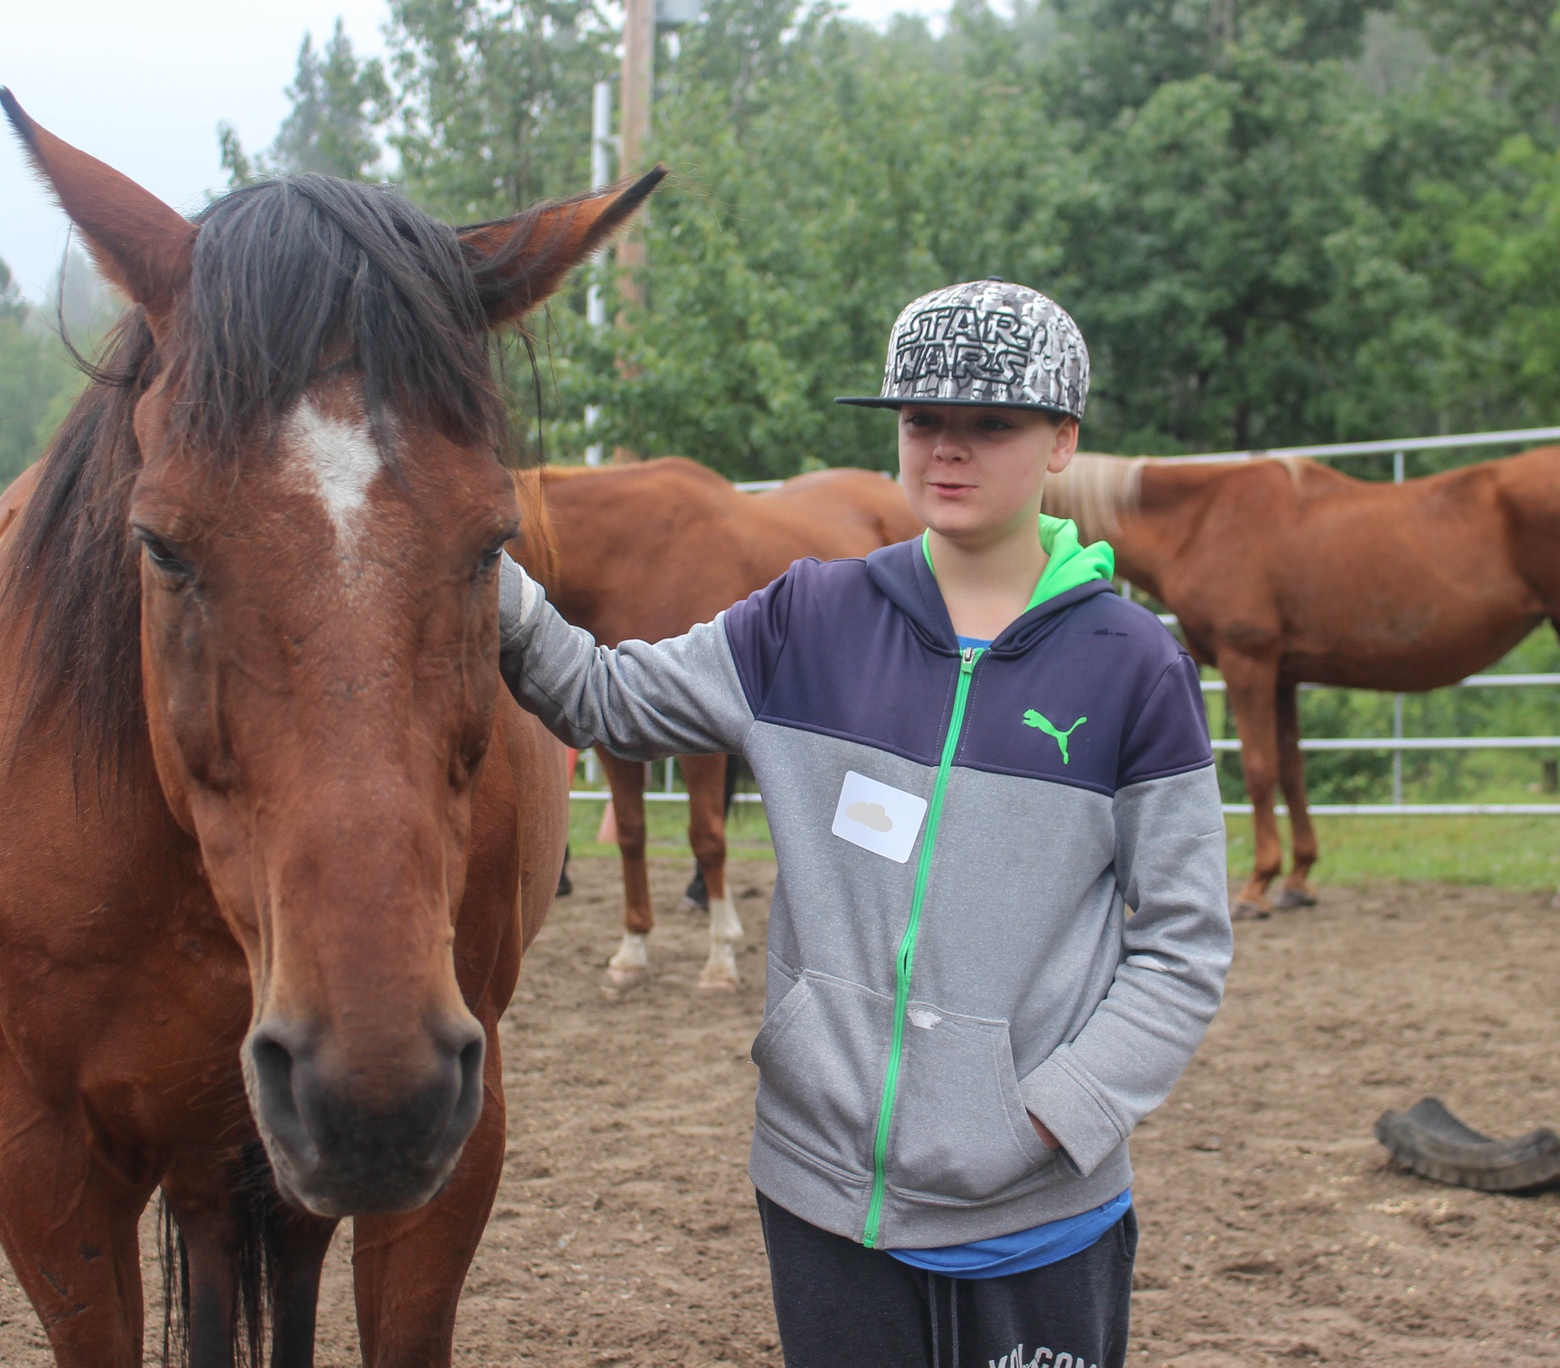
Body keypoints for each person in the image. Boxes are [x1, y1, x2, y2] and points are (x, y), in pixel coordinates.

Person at [497, 279, 1231, 1368]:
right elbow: (606, 698)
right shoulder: (809, 618)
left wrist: (1056, 1117)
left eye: (992, 424)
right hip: (820, 1197)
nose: (948, 449)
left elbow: (1183, 944)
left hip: (1036, 1217)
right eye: (922, 420)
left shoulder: (1136, 670)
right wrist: (465, 555)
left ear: (1062, 440)